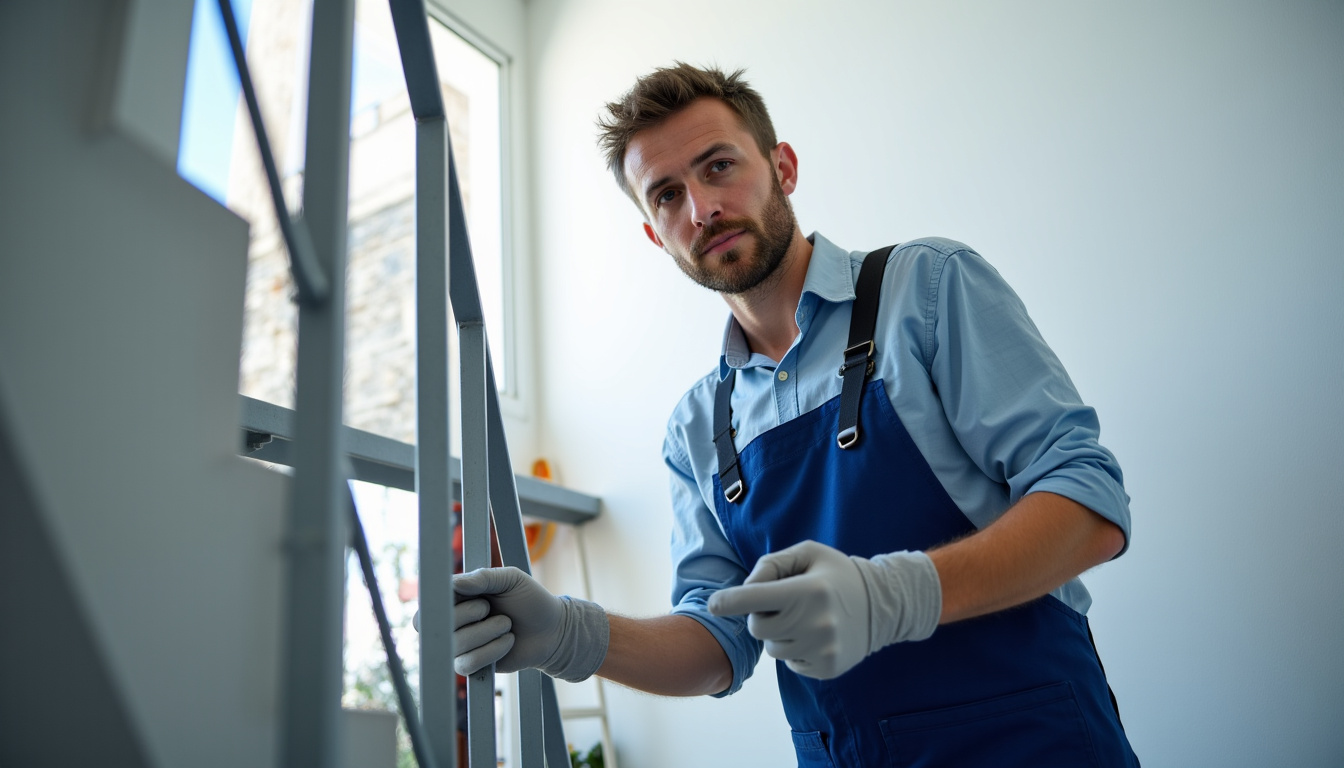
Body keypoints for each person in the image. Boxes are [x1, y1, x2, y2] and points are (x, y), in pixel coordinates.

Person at [450, 63, 1139, 766]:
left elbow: (1089, 503)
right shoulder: (697, 426)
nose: (702, 208)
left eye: (719, 166)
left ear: (783, 167)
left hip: (1031, 744)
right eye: (666, 195)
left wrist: (893, 596)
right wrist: (569, 636)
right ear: (656, 236)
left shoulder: (927, 288)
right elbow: (718, 643)